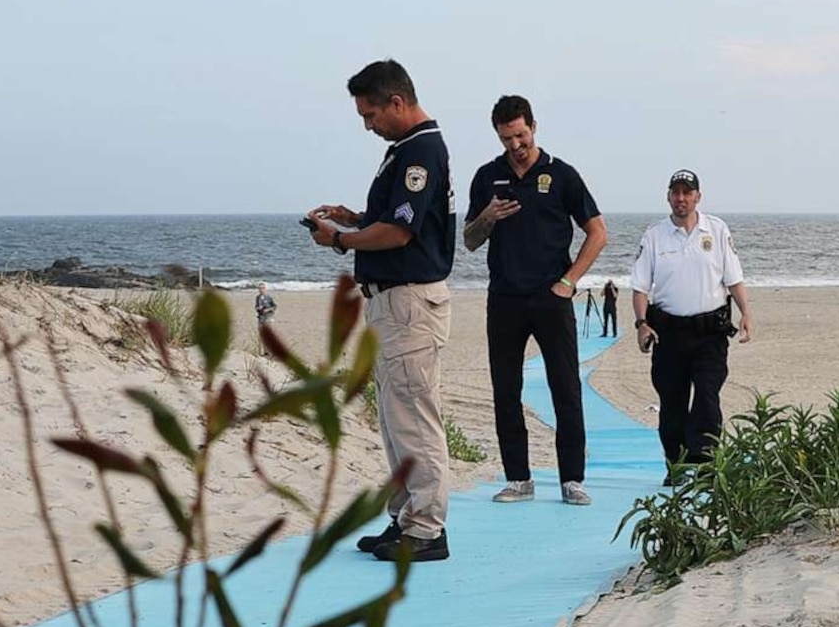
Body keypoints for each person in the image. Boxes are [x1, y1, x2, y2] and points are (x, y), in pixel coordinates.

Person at [304, 59, 456, 562]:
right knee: (395, 418)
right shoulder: (406, 151)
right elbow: (391, 220)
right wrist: (355, 218)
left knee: (413, 415)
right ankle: (406, 517)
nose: (368, 125)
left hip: (410, 299)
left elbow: (400, 232)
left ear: (397, 102)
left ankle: (428, 529)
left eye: (370, 115)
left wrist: (341, 239)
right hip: (394, 300)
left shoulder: (422, 151)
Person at [463, 95, 607, 506]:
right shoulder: (486, 176)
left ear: (534, 127)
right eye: (507, 138)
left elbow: (597, 233)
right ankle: (519, 479)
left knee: (566, 389)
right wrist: (488, 216)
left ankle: (572, 480)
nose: (515, 145)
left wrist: (569, 281)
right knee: (505, 390)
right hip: (504, 298)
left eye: (521, 135)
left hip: (551, 297)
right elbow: (470, 242)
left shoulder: (561, 175)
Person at [628, 169, 753, 476]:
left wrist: (746, 312)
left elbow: (733, 278)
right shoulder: (654, 236)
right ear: (668, 196)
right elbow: (640, 287)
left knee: (708, 398)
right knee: (672, 404)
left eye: (687, 193)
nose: (681, 198)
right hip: (669, 335)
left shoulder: (717, 230)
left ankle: (706, 465)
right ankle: (676, 464)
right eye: (676, 192)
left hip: (710, 334)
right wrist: (642, 323)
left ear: (698, 196)